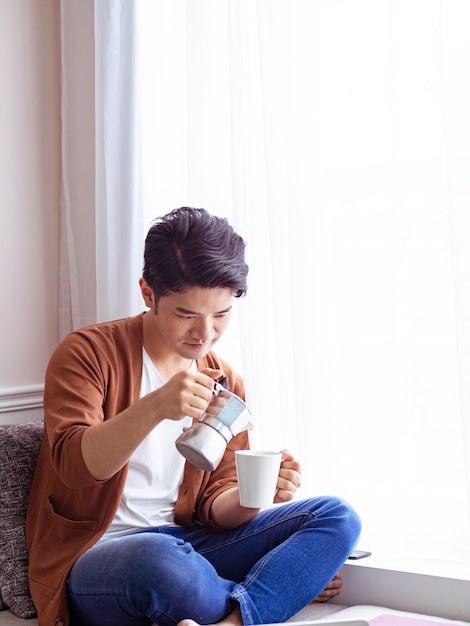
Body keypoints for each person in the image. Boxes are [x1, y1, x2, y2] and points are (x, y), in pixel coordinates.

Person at [26, 207, 361, 626]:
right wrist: (154, 406)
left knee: (336, 515)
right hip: (103, 556)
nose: (205, 333)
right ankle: (265, 592)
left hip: (192, 545)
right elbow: (75, 468)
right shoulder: (87, 353)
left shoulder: (223, 379)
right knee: (160, 559)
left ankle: (234, 621)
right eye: (187, 314)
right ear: (148, 294)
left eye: (221, 315)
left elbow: (213, 507)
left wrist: (256, 497)